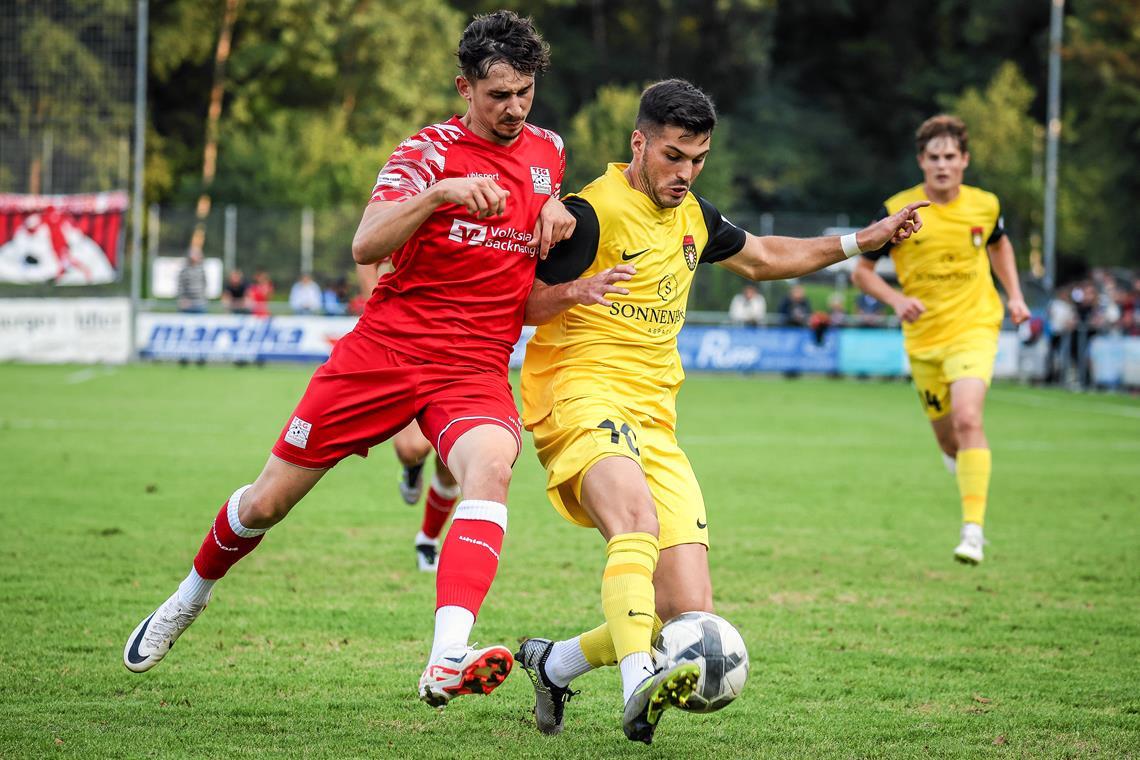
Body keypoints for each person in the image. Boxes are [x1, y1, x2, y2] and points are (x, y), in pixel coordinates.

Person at [123, 10, 578, 712]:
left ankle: (445, 659)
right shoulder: (427, 153)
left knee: (489, 468)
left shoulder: (549, 152)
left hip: (475, 367)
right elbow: (367, 244)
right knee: (266, 503)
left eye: (524, 92)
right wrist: (438, 196)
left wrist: (564, 212)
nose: (514, 108)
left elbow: (531, 282)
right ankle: (188, 598)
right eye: (498, 95)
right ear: (465, 88)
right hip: (385, 352)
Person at [513, 79, 927, 744]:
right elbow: (519, 305)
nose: (685, 173)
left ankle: (553, 663)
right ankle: (636, 686)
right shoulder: (588, 214)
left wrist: (862, 240)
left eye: (698, 159)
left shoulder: (695, 217)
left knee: (685, 611)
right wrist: (576, 290)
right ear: (639, 143)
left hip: (654, 419)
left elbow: (765, 258)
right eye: (673, 156)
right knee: (635, 521)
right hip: (579, 394)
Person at [851, 114, 1029, 565]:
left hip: (974, 327)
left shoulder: (985, 205)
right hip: (924, 339)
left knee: (970, 419)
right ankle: (961, 462)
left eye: (951, 157)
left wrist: (1015, 297)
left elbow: (999, 244)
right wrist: (896, 300)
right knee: (949, 440)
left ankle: (973, 532)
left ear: (965, 160)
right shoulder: (899, 208)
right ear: (921, 161)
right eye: (934, 158)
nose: (943, 165)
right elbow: (861, 272)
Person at [356, 261, 461, 573]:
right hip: (409, 348)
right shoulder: (412, 214)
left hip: (464, 354)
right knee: (411, 448)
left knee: (454, 462)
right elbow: (366, 256)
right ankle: (412, 469)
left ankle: (427, 540)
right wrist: (380, 312)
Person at [176, 248, 207, 313]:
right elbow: (180, 286)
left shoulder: (201, 270)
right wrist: (182, 300)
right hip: (187, 303)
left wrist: (203, 298)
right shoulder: (184, 270)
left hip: (199, 303)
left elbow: (204, 284)